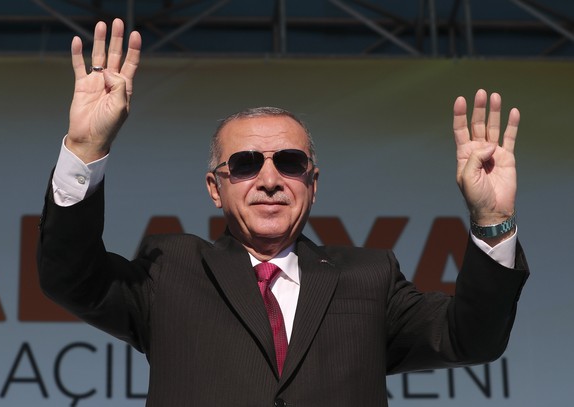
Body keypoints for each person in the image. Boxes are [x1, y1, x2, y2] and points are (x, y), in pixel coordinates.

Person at [37, 18, 529, 407]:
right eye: (246, 164)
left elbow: (473, 339)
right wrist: (84, 147)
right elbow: (69, 277)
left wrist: (492, 220)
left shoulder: (370, 277)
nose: (269, 179)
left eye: (290, 163)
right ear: (215, 187)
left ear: (312, 186)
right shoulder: (171, 269)